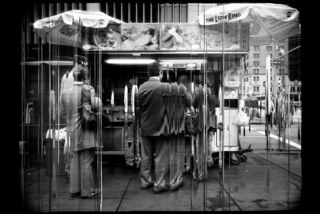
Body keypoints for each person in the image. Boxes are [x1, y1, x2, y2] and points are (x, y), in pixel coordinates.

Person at [60, 67, 99, 199]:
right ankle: (87, 191)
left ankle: (74, 189)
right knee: (86, 160)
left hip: (72, 131)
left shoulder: (65, 92)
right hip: (86, 130)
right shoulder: (88, 89)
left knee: (75, 159)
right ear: (85, 77)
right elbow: (95, 107)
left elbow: (62, 113)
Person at [136, 62, 170, 193]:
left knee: (145, 156)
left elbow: (139, 108)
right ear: (161, 73)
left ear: (148, 73)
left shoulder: (142, 87)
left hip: (145, 127)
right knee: (160, 157)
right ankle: (159, 184)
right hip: (161, 128)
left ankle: (145, 181)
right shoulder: (165, 87)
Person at [60, 55, 88, 181]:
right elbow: (66, 99)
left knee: (73, 147)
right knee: (73, 149)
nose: (85, 68)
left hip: (72, 117)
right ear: (78, 64)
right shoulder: (69, 78)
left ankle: (73, 173)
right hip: (75, 117)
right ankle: (72, 174)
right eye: (84, 65)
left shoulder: (66, 76)